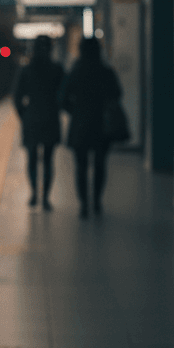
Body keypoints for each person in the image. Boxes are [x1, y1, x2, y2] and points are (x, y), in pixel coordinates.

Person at [60, 35, 123, 217]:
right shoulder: (106, 71)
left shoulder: (75, 72)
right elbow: (117, 94)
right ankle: (96, 202)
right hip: (102, 125)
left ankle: (83, 205)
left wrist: (75, 111)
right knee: (100, 164)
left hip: (80, 125)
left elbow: (62, 99)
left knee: (81, 166)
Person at [12, 34, 64, 210]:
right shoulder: (57, 69)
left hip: (31, 118)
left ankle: (34, 194)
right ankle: (46, 198)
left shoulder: (26, 70)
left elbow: (17, 98)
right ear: (50, 49)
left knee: (32, 159)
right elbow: (64, 94)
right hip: (51, 118)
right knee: (48, 160)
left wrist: (24, 116)